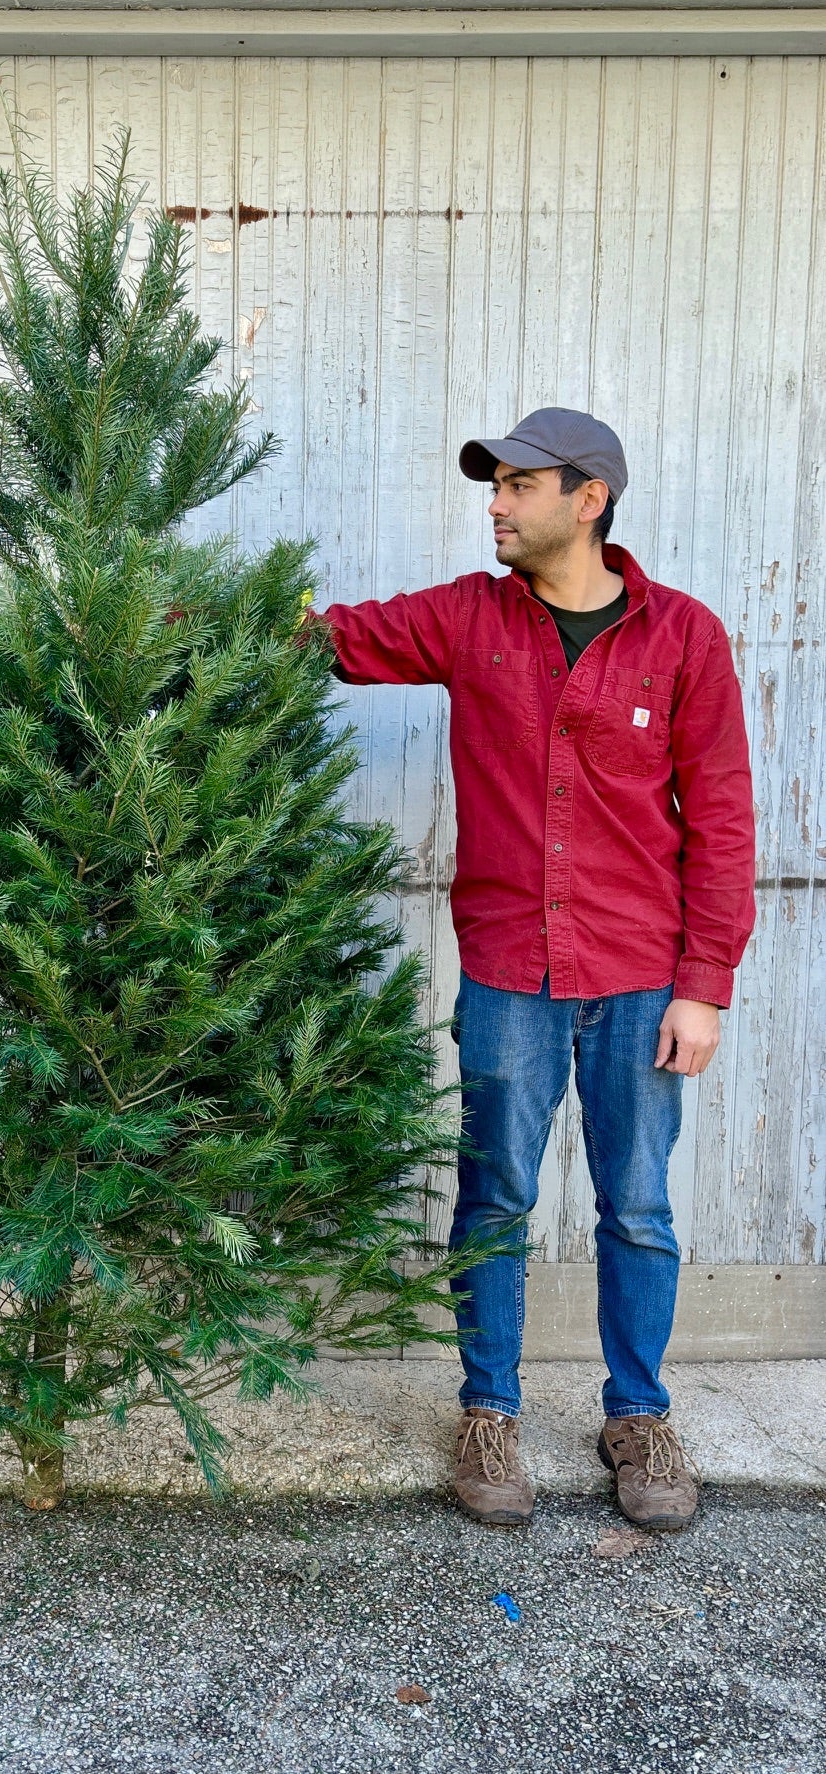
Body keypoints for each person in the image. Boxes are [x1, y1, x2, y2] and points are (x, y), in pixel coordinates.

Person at [302, 408, 756, 1531]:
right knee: (496, 1196)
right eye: (494, 486)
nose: (496, 504)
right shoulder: (467, 617)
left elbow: (726, 822)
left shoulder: (684, 638)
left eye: (519, 485)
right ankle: (489, 1409)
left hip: (642, 975)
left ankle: (638, 1414)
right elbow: (328, 638)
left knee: (639, 1205)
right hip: (510, 967)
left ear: (588, 497)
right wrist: (151, 610)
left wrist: (705, 982)